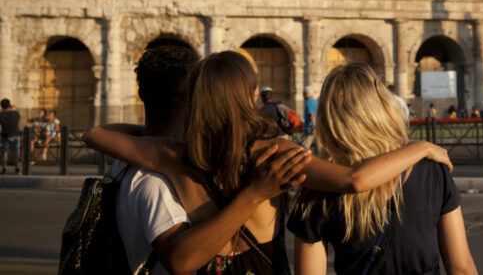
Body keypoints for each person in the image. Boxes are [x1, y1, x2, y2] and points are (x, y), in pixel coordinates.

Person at [84, 51, 452, 275]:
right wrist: (419, 147)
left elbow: (94, 133)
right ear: (248, 96)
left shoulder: (169, 154)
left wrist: (149, 135)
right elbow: (354, 179)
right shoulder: (272, 152)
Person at [289, 63, 477, 275]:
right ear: (383, 106)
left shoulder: (320, 187)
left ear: (329, 117)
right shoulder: (431, 171)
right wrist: (422, 147)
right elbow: (461, 268)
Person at [1, 99, 21, 175]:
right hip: (15, 134)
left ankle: (4, 168)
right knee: (16, 151)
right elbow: (18, 118)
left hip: (5, 134)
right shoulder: (15, 113)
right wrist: (14, 109)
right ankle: (17, 167)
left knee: (4, 151)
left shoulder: (1, 114)